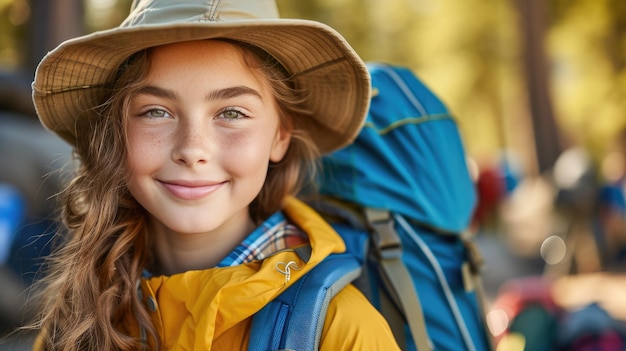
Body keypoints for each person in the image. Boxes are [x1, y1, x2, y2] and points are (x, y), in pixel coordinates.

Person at [28, 0, 401, 350]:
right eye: (156, 111)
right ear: (115, 133)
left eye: (232, 113)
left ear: (280, 135)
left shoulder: (340, 329)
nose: (192, 150)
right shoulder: (78, 316)